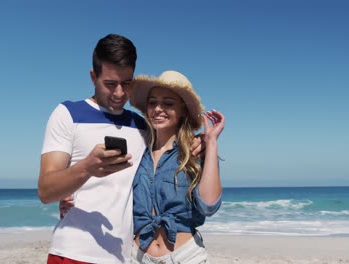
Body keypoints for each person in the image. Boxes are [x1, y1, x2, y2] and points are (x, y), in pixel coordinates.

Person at [38, 34, 203, 264]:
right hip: (73, 252)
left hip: (125, 256)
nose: (118, 93)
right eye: (110, 84)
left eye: (126, 84)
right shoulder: (67, 114)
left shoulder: (143, 126)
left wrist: (200, 142)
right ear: (93, 76)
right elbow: (46, 190)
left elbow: (171, 147)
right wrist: (86, 168)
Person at [129, 70, 225, 263]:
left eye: (168, 103)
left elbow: (208, 205)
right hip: (137, 257)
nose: (158, 109)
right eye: (153, 102)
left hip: (184, 257)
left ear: (182, 111)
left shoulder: (195, 151)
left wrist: (212, 142)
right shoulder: (136, 150)